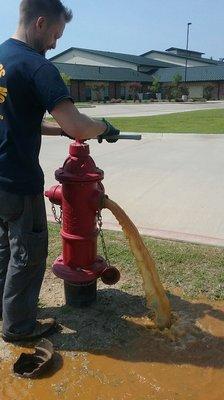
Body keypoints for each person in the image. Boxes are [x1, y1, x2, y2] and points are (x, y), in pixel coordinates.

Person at [0, 0, 120, 343]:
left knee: (4, 251)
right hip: (19, 182)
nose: (55, 43)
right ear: (40, 23)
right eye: (56, 34)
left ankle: (6, 312)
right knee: (28, 255)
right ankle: (19, 327)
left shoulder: (2, 59)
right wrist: (104, 127)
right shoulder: (38, 67)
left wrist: (61, 129)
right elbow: (79, 125)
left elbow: (20, 118)